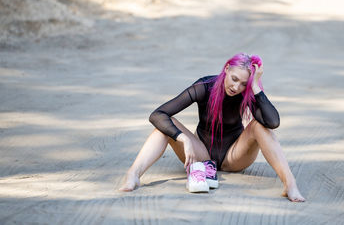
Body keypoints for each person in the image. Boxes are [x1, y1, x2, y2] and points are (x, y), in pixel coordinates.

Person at [119, 53, 305, 202]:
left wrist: (255, 86)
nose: (236, 86)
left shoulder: (246, 94)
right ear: (226, 69)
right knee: (166, 125)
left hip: (234, 156)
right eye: (233, 79)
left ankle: (290, 184)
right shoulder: (205, 87)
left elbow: (273, 122)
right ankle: (133, 174)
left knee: (260, 126)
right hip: (202, 155)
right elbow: (157, 114)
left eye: (243, 84)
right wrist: (182, 138)